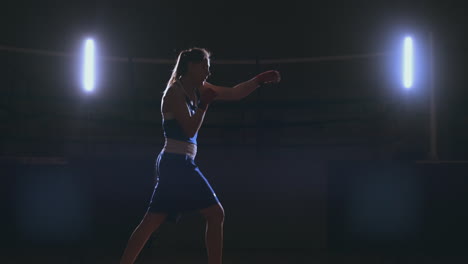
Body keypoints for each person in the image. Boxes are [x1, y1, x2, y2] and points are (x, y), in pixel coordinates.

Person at [120, 47, 280, 264]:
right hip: (177, 163)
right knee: (215, 214)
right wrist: (204, 105)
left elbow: (233, 93)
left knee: (152, 221)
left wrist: (259, 80)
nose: (208, 71)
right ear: (191, 66)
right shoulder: (174, 93)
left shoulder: (197, 88)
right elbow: (189, 130)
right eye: (204, 66)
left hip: (176, 163)